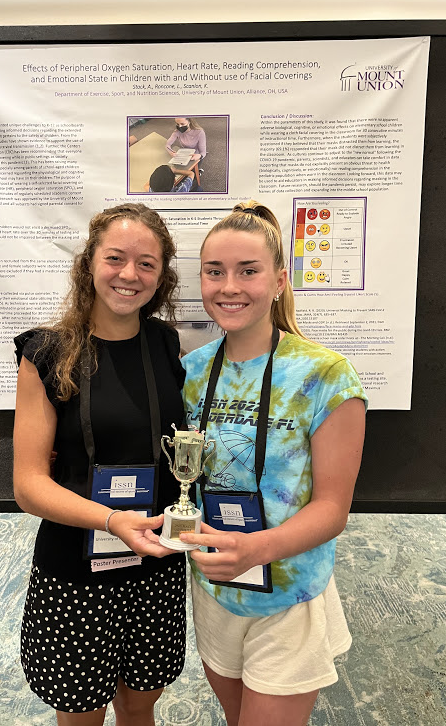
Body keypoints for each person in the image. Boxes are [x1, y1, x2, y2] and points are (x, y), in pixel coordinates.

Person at [179, 200, 367, 726]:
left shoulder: (326, 375)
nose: (229, 286)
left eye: (248, 271)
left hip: (288, 593)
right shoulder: (191, 372)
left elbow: (333, 509)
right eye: (215, 272)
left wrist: (256, 548)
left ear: (280, 279)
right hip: (214, 586)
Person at [13, 203, 187, 726]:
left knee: (139, 707)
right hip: (76, 572)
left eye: (147, 264)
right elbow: (27, 486)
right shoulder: (46, 353)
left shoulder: (165, 342)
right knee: (83, 713)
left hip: (155, 562)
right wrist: (112, 520)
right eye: (115, 258)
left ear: (162, 276)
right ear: (90, 263)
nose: (129, 275)